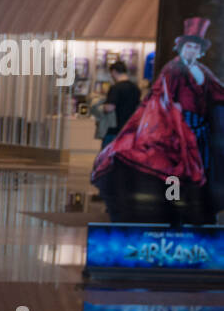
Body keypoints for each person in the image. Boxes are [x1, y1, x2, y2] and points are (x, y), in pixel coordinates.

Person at [92, 17, 224, 225]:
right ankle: (174, 207)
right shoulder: (172, 69)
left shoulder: (203, 72)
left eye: (195, 47)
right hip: (174, 130)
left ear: (200, 51)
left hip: (199, 132)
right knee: (173, 169)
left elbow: (218, 94)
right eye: (188, 46)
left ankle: (195, 210)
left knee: (199, 172)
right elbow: (160, 96)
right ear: (181, 48)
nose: (191, 50)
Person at [100, 60, 140, 147]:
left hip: (114, 129)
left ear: (114, 72)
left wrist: (101, 107)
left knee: (107, 157)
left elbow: (110, 107)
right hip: (130, 129)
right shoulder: (135, 88)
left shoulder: (116, 88)